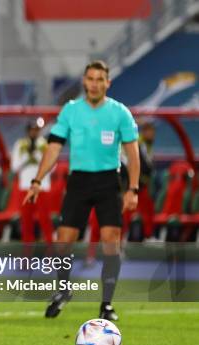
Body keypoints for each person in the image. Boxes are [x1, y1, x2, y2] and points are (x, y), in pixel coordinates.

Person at [23, 60, 140, 321]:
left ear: (108, 83)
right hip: (79, 182)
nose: (95, 84)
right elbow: (53, 147)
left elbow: (133, 154)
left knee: (111, 241)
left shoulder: (120, 113)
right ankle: (63, 291)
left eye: (100, 79)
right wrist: (37, 180)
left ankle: (107, 304)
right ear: (84, 81)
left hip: (109, 182)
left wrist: (133, 188)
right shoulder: (71, 111)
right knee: (64, 241)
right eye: (91, 78)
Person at [11, 118, 53, 243]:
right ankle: (27, 255)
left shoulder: (45, 145)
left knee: (45, 219)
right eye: (32, 130)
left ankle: (52, 253)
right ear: (28, 130)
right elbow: (14, 166)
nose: (34, 132)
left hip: (42, 187)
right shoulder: (20, 145)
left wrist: (38, 157)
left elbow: (52, 166)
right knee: (26, 221)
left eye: (36, 130)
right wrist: (27, 158)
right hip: (25, 186)